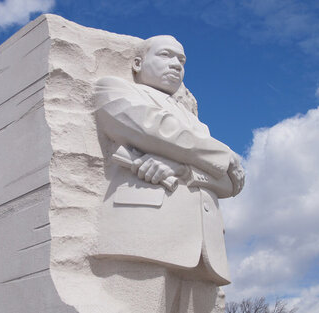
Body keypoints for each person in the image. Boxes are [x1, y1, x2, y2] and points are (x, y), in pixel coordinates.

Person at [92, 35, 245, 312]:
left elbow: (232, 182)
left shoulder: (200, 127)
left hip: (204, 250)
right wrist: (224, 155)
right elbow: (155, 129)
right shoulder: (113, 89)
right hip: (146, 234)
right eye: (165, 55)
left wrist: (183, 168)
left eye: (181, 60)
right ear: (137, 63)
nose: (176, 64)